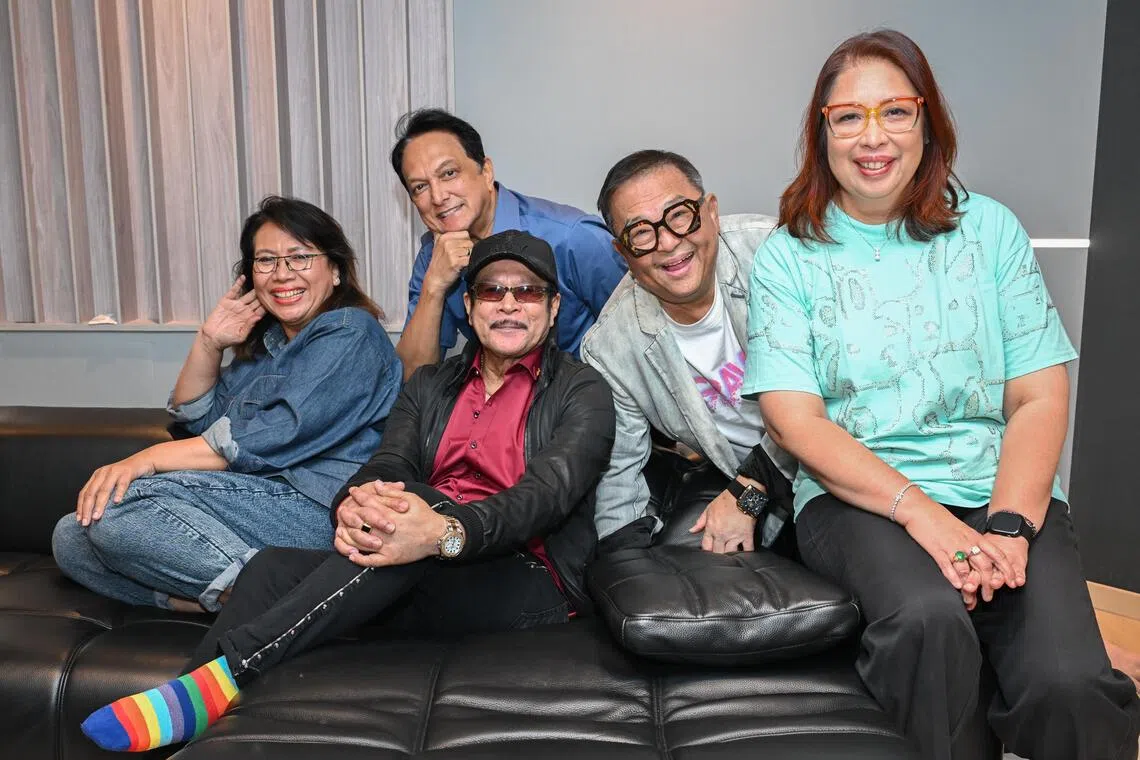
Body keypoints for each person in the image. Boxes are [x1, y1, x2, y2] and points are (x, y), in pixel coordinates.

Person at [743, 29, 1140, 760]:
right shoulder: (788, 255)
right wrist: (928, 519)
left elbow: (1039, 398)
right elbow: (796, 421)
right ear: (821, 130)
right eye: (848, 116)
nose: (874, 137)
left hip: (999, 487)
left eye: (896, 111)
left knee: (1071, 685)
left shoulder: (989, 231)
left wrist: (1012, 527)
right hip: (857, 499)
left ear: (928, 124)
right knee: (928, 625)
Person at [78, 229, 616, 753]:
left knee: (412, 512)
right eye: (492, 291)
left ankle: (230, 669)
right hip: (415, 562)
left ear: (552, 308)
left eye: (528, 292)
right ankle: (199, 732)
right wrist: (353, 502)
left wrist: (442, 531)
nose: (509, 305)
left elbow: (545, 496)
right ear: (471, 308)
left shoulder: (582, 391)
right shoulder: (430, 385)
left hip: (522, 576)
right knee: (269, 567)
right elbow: (385, 463)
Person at [52, 196, 402, 613]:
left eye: (300, 257)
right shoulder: (270, 347)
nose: (282, 273)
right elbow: (198, 423)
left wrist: (146, 459)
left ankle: (288, 601)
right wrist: (209, 342)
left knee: (113, 506)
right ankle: (242, 601)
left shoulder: (350, 331)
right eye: (266, 261)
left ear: (336, 270)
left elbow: (268, 438)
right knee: (71, 535)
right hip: (255, 498)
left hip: (321, 508)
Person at [581, 150, 796, 553]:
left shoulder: (776, 254)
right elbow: (619, 476)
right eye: (641, 233)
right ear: (622, 252)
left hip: (840, 464)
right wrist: (623, 568)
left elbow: (832, 397)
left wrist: (748, 494)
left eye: (678, 214)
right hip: (761, 496)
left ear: (710, 211)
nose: (667, 243)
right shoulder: (610, 347)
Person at [392, 108, 626, 379]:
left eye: (448, 174)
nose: (438, 196)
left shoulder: (572, 237)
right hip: (500, 403)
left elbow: (642, 338)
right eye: (420, 187)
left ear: (486, 171)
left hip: (587, 402)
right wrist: (433, 286)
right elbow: (413, 379)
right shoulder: (433, 256)